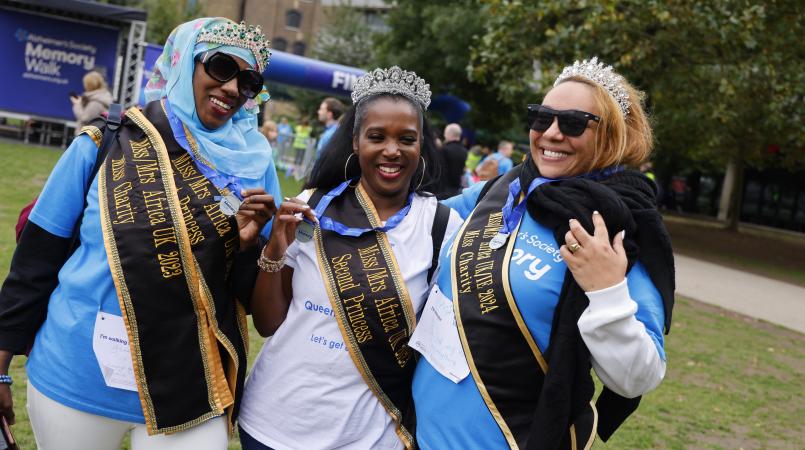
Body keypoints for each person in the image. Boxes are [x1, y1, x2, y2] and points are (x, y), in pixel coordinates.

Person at [0, 18, 281, 449]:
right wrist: (1, 366)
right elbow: (36, 259)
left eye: (247, 81)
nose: (230, 88)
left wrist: (247, 248)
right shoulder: (106, 140)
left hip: (190, 387)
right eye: (221, 67)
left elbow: (251, 298)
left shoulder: (254, 166)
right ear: (183, 61)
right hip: (77, 375)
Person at [410, 57, 675, 448]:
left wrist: (606, 292)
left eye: (572, 123)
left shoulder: (621, 224)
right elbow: (420, 218)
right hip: (418, 432)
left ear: (613, 136)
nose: (551, 133)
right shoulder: (506, 188)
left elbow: (639, 376)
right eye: (541, 118)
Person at [237, 66, 462, 450]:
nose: (392, 150)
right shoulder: (312, 206)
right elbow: (269, 323)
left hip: (367, 435)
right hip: (274, 421)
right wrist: (274, 248)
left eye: (406, 139)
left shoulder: (441, 226)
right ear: (356, 142)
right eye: (377, 137)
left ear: (421, 145)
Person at [435, 123, 469, 199]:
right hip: (459, 191)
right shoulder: (465, 151)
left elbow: (439, 171)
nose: (444, 136)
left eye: (445, 134)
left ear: (449, 134)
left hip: (444, 191)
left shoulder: (444, 150)